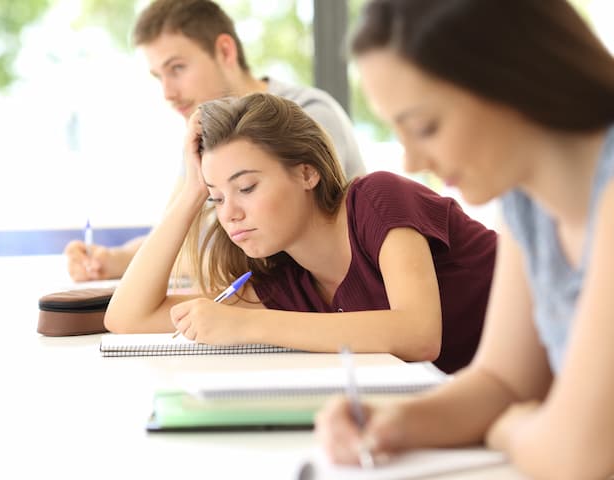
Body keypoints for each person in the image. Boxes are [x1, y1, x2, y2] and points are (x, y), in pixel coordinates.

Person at [314, 0, 614, 478]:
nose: (410, 161)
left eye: (425, 127)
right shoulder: (526, 198)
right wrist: (399, 422)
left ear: (512, 79)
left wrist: (509, 430)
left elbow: (579, 455)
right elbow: (503, 381)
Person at [104, 92, 496, 374]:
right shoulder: (286, 280)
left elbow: (419, 334)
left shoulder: (377, 200)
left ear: (307, 172)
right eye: (217, 199)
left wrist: (244, 324)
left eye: (247, 188)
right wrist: (192, 192)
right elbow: (127, 317)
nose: (231, 214)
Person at [64, 0, 366, 282]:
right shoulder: (209, 137)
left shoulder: (309, 115)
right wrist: (114, 259)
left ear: (225, 51)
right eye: (159, 77)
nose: (167, 93)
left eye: (177, 68)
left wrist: (169, 261)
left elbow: (261, 258)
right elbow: (179, 235)